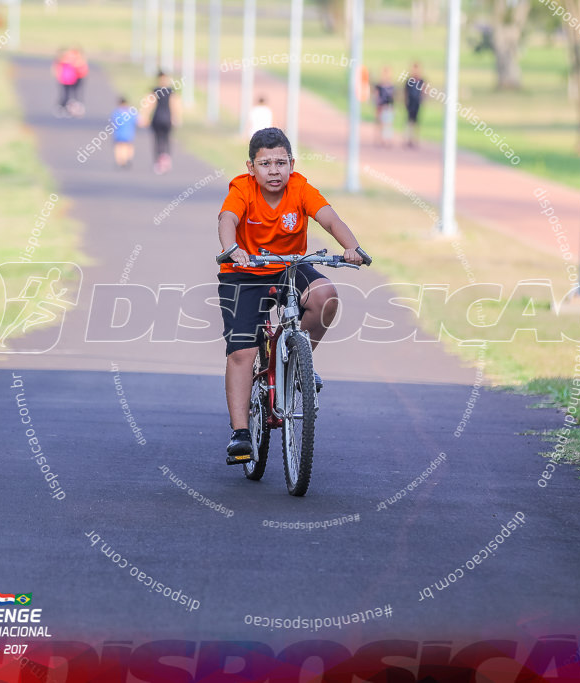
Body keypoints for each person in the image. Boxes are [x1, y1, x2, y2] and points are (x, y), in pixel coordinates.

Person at [216, 128, 365, 463]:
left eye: (281, 162)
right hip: (244, 272)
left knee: (325, 294)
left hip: (288, 268)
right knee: (243, 351)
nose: (274, 170)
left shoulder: (300, 187)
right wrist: (231, 249)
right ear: (251, 167)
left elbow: (329, 218)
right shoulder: (242, 187)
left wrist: (350, 246)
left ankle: (298, 360)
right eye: (265, 163)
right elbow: (227, 218)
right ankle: (240, 434)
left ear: (291, 164)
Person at [141, 71, 182, 175]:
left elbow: (174, 104)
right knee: (158, 139)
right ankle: (159, 160)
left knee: (166, 139)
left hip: (165, 117)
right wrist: (145, 116)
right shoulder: (157, 91)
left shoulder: (169, 91)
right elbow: (149, 103)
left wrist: (176, 117)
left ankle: (165, 159)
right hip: (158, 118)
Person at [51, 48, 79, 117]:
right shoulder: (62, 62)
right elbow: (57, 70)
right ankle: (62, 107)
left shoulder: (71, 61)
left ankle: (68, 109)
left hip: (71, 80)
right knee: (65, 95)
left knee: (70, 96)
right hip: (65, 80)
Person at [111, 97, 138, 169]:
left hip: (118, 133)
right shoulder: (131, 113)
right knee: (128, 147)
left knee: (119, 147)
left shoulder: (116, 112)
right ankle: (128, 158)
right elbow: (138, 121)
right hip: (129, 133)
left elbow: (113, 122)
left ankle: (120, 161)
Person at [404, 62, 426, 148]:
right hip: (410, 103)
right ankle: (409, 139)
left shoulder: (421, 81)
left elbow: (424, 90)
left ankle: (416, 139)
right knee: (409, 122)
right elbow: (405, 92)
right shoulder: (409, 81)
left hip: (417, 103)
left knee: (416, 122)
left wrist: (423, 99)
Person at [375, 67, 396, 146]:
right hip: (381, 107)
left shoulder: (391, 86)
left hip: (389, 107)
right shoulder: (379, 86)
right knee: (381, 124)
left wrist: (393, 108)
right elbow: (377, 97)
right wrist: (378, 107)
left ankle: (388, 139)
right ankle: (381, 139)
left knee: (389, 124)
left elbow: (393, 97)